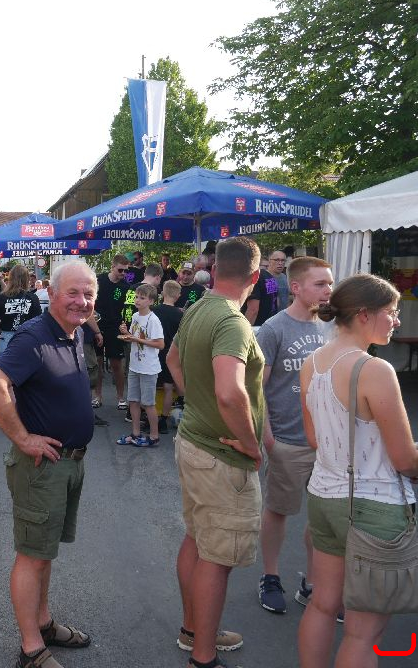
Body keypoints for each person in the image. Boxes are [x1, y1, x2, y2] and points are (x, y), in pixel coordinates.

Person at [0, 262, 97, 668]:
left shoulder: (73, 332)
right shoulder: (35, 336)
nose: (82, 301)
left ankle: (43, 624)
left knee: (44, 552)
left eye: (88, 294)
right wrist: (22, 437)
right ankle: (31, 649)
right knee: (32, 555)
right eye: (73, 293)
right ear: (52, 293)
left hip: (67, 464)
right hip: (41, 468)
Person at [297, 274, 418, 668]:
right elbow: (405, 460)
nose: (396, 320)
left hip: (324, 496)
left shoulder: (313, 363)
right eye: (391, 312)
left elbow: (314, 439)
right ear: (364, 315)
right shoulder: (373, 369)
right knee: (364, 633)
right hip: (374, 506)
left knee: (322, 604)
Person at [167, 237, 263, 666]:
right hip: (222, 455)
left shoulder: (198, 308)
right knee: (216, 557)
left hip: (194, 442)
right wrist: (250, 442)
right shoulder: (232, 321)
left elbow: (173, 360)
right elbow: (230, 391)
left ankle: (194, 631)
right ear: (254, 276)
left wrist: (196, 401)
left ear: (215, 268)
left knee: (197, 538)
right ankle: (203, 656)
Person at [253, 256, 334, 615]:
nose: (328, 290)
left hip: (326, 444)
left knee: (322, 517)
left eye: (330, 283)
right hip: (287, 440)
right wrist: (268, 437)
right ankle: (270, 577)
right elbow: (257, 388)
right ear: (297, 287)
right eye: (320, 284)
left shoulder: (331, 328)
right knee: (278, 511)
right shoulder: (273, 329)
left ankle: (312, 583)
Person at [117, 283, 164, 447]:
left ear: (151, 301)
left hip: (148, 368)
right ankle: (135, 434)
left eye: (142, 298)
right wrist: (126, 333)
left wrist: (135, 339)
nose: (137, 300)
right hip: (135, 366)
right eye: (136, 297)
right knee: (133, 401)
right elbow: (134, 337)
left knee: (148, 403)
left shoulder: (153, 319)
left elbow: (160, 344)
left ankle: (154, 436)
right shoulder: (136, 316)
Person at [96, 254, 129, 412]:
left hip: (115, 326)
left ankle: (121, 397)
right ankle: (97, 396)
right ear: (113, 266)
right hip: (97, 325)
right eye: (120, 270)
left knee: (116, 363)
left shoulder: (125, 286)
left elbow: (127, 308)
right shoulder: (99, 280)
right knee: (97, 363)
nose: (123, 273)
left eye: (126, 271)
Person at [154, 280, 184, 431]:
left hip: (154, 352)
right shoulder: (180, 315)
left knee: (150, 386)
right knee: (168, 387)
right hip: (171, 354)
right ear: (178, 296)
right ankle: (163, 421)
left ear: (162, 293)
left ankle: (148, 416)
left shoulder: (153, 311)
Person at [0, 265, 42, 353]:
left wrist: (5, 322)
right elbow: (38, 322)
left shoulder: (1, 297)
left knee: (5, 362)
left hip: (6, 337)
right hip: (27, 337)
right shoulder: (33, 297)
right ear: (27, 279)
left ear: (11, 278)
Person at [243, 253, 280, 326]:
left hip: (257, 326)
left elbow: (253, 310)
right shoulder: (271, 277)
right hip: (271, 323)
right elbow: (277, 302)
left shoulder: (256, 278)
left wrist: (246, 328)